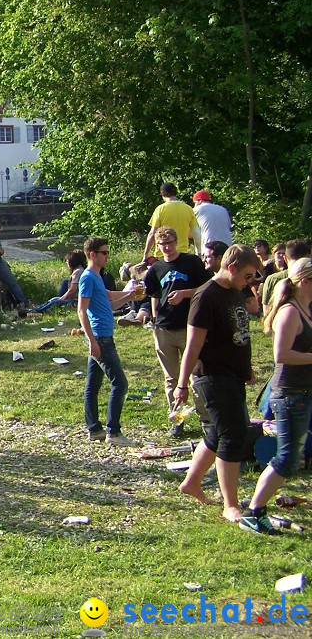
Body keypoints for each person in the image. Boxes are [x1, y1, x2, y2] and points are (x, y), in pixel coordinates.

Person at [173, 244, 261, 525]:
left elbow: (238, 333)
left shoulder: (234, 291)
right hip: (211, 375)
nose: (250, 282)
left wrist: (245, 368)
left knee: (217, 433)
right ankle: (230, 505)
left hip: (232, 374)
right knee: (233, 435)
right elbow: (193, 344)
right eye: (247, 276)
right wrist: (181, 384)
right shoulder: (205, 296)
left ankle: (192, 482)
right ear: (232, 268)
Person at [239, 258, 312, 535]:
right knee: (287, 458)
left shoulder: (305, 308)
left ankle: (256, 507)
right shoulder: (290, 312)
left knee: (292, 456)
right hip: (290, 394)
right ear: (305, 281)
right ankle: (254, 512)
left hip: (303, 391)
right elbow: (281, 354)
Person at [143, 227, 212, 437]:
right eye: (162, 244)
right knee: (171, 379)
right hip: (164, 328)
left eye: (170, 243)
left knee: (195, 375)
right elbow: (153, 293)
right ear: (157, 245)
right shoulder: (156, 268)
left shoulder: (191, 262)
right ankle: (177, 419)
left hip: (190, 326)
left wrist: (184, 294)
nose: (167, 247)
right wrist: (154, 319)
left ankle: (206, 420)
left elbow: (207, 287)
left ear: (177, 242)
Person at [77, 237, 138, 446]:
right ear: (92, 254)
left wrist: (131, 296)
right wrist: (91, 340)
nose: (107, 256)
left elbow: (108, 302)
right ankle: (114, 431)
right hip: (100, 338)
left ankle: (94, 429)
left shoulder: (97, 276)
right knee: (120, 384)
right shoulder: (87, 277)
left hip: (102, 337)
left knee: (92, 385)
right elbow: (81, 310)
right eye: (104, 252)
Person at [142, 182, 201, 260]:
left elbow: (152, 233)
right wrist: (199, 252)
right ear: (175, 193)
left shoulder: (160, 209)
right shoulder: (188, 209)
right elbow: (196, 232)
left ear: (162, 194)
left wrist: (146, 254)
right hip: (182, 254)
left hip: (163, 254)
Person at [261, 240, 312, 323]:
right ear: (308, 257)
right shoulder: (308, 278)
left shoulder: (271, 279)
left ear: (285, 258)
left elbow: (266, 311)